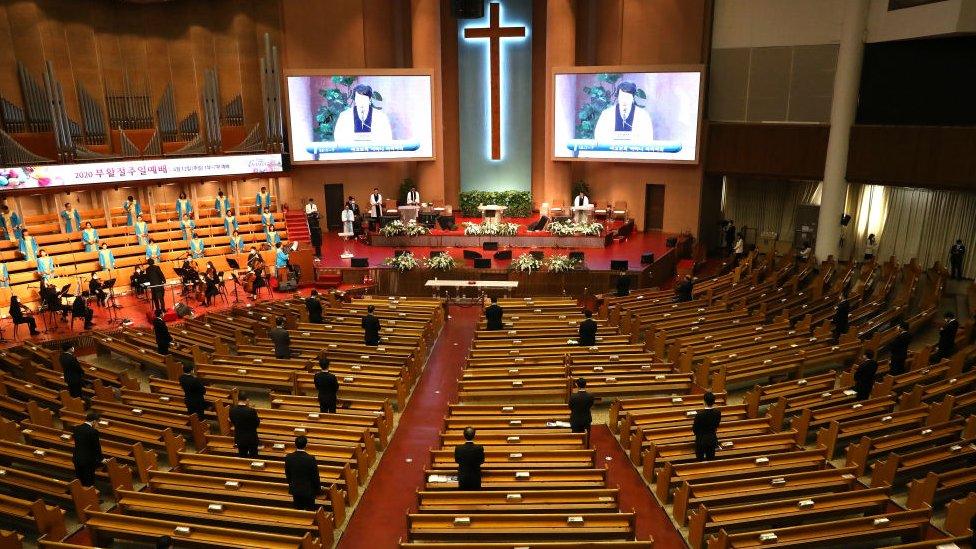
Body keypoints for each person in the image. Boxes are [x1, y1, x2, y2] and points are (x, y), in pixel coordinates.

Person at [285, 435, 321, 511]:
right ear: (306, 445)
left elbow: (288, 474)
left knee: (298, 512)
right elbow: (315, 477)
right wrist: (318, 490)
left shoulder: (289, 457)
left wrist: (291, 484)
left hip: (295, 489)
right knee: (310, 511)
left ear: (295, 444)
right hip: (309, 490)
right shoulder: (310, 459)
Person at [72, 411, 103, 487]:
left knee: (79, 478)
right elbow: (96, 447)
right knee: (89, 480)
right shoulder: (93, 431)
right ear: (94, 421)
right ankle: (90, 497)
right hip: (88, 461)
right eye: (97, 423)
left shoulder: (76, 428)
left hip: (77, 458)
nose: (97, 425)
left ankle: (80, 495)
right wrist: (101, 459)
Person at [692, 391, 721, 461]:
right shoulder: (717, 413)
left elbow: (694, 429)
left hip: (701, 440)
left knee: (700, 460)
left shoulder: (699, 415)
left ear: (704, 401)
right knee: (711, 460)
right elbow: (717, 425)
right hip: (712, 439)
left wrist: (698, 434)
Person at [229, 393, 260, 457]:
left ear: (238, 399)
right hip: (251, 437)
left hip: (239, 437)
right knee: (253, 456)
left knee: (242, 456)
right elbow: (257, 423)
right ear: (247, 400)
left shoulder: (232, 410)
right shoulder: (251, 411)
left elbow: (233, 421)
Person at [454, 426, 485, 491]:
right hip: (475, 477)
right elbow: (482, 461)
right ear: (474, 435)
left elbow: (457, 460)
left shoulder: (458, 448)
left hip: (463, 477)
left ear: (464, 435)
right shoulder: (479, 448)